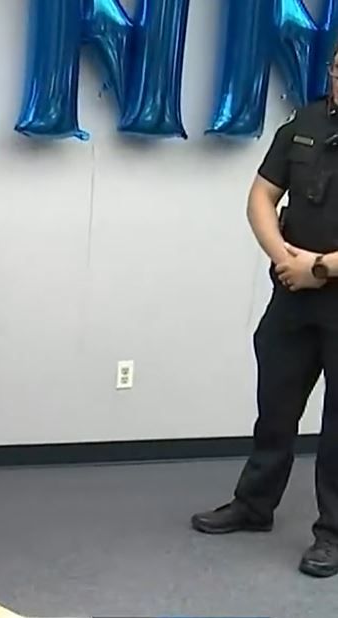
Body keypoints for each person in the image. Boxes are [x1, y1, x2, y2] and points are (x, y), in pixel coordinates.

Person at [190, 45, 338, 579]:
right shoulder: (305, 123)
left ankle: (332, 535)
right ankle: (254, 506)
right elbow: (261, 196)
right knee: (274, 408)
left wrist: (319, 268)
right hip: (292, 297)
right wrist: (285, 261)